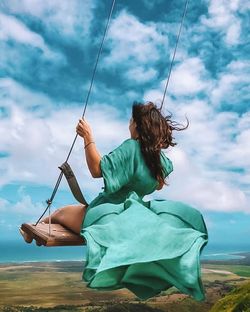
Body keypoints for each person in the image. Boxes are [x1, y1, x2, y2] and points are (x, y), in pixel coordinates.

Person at [20, 101, 209, 301]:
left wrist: (88, 137)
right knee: (68, 213)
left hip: (106, 214)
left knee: (59, 213)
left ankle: (29, 233)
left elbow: (96, 170)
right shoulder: (160, 160)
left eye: (131, 120)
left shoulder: (131, 147)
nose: (129, 124)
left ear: (137, 125)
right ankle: (33, 234)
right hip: (133, 219)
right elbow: (159, 185)